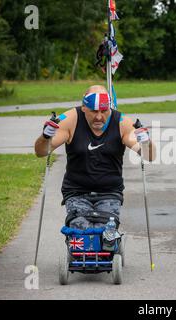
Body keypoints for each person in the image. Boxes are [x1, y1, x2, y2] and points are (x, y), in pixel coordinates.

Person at [34, 85, 155, 231]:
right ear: (84, 107)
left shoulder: (122, 122)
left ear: (110, 107)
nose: (99, 116)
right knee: (82, 232)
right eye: (94, 111)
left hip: (109, 192)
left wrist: (146, 141)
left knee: (105, 234)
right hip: (76, 191)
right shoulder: (70, 119)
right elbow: (41, 152)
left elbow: (149, 156)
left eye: (104, 111)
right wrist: (45, 136)